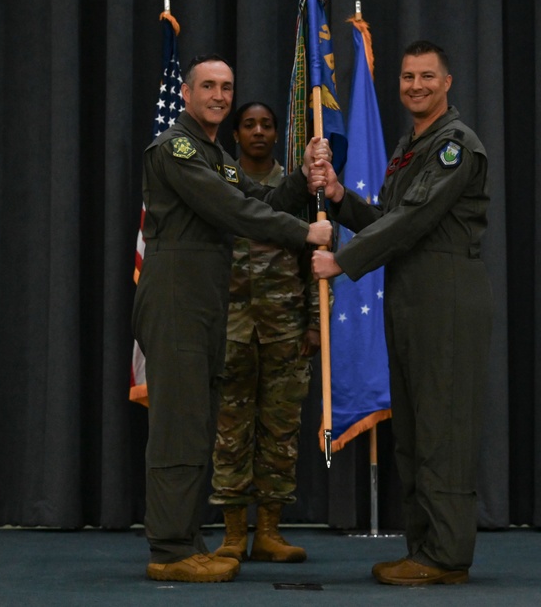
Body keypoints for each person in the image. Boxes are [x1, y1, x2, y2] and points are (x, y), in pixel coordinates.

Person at [132, 54, 332, 583]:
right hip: (177, 295)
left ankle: (186, 539)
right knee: (178, 427)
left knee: (196, 425)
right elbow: (233, 211)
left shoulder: (213, 153)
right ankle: (170, 550)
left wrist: (305, 178)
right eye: (209, 87)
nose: (220, 96)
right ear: (188, 94)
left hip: (204, 300)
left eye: (227, 88)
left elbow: (261, 196)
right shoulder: (176, 149)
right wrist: (303, 233)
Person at [311, 40, 491, 586]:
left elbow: (413, 220)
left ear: (448, 82)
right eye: (408, 76)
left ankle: (447, 556)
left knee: (443, 433)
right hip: (413, 300)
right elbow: (388, 218)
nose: (416, 85)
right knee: (414, 433)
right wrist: (341, 197)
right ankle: (425, 549)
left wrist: (341, 261)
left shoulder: (455, 145)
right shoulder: (411, 145)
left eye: (427, 77)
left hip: (447, 301)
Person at [210, 102, 318, 564]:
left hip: (286, 328)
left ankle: (270, 532)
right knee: (230, 432)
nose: (258, 132)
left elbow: (316, 263)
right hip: (230, 329)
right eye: (249, 124)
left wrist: (315, 322)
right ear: (235, 134)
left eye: (267, 125)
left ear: (277, 134)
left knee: (280, 434)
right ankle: (233, 534)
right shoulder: (218, 183)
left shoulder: (298, 189)